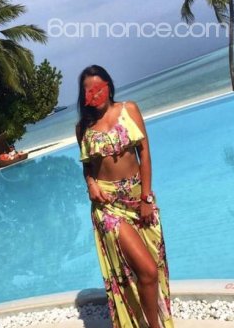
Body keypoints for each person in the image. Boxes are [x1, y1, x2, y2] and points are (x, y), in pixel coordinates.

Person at [75, 65, 174, 328]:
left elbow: (145, 153)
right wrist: (90, 184)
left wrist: (146, 198)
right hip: (107, 207)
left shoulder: (129, 109)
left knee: (152, 269)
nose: (94, 95)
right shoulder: (83, 127)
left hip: (137, 199)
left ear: (108, 86)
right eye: (88, 91)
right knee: (147, 270)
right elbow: (87, 166)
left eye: (98, 88)